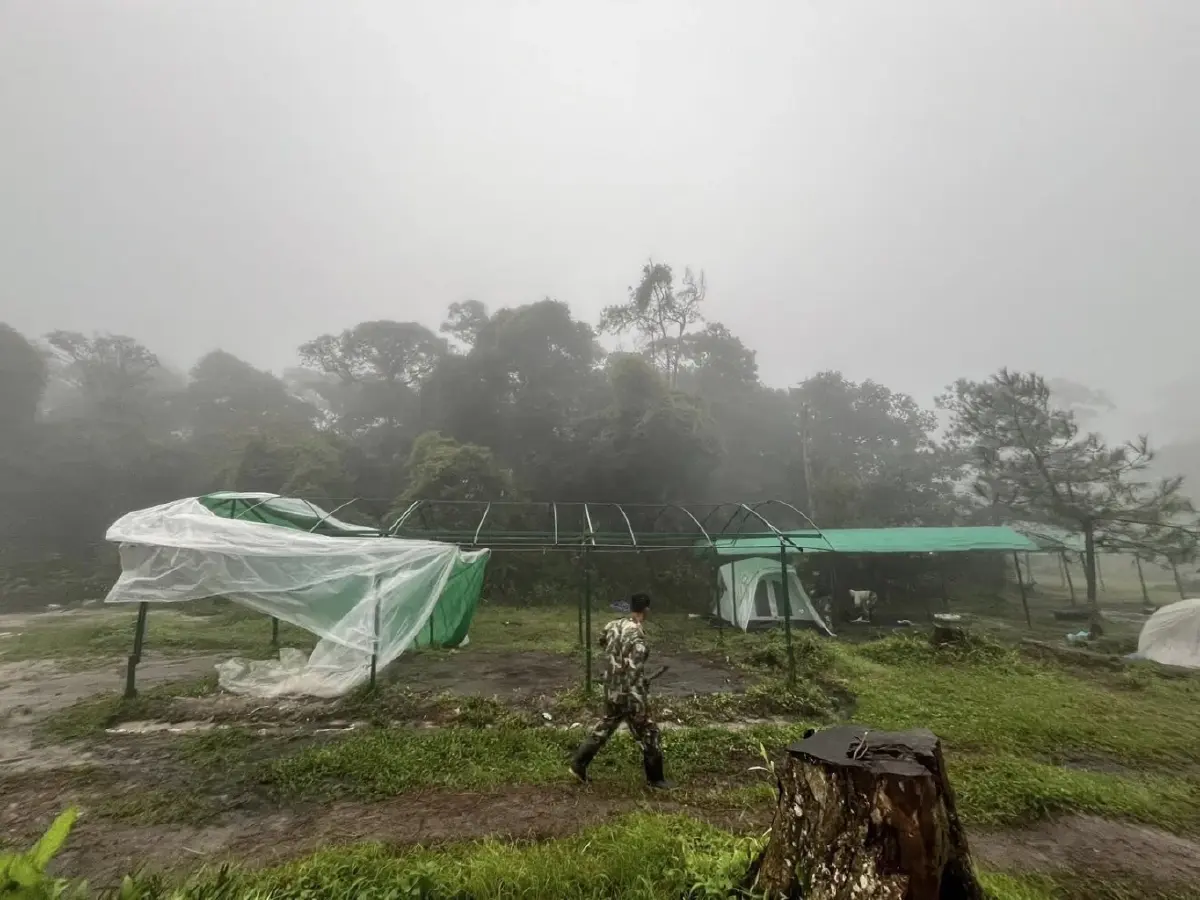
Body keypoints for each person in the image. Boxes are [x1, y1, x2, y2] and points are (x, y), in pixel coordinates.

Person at [569, 592, 673, 789]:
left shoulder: (613, 625)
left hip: (611, 688)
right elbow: (635, 666)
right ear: (646, 610)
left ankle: (578, 764)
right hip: (630, 694)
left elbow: (602, 641)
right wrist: (639, 686)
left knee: (606, 725)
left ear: (630, 607)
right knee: (650, 732)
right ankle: (656, 779)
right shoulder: (637, 634)